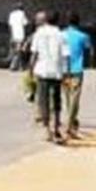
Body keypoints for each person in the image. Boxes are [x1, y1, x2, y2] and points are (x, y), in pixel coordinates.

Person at [29, 10, 68, 143]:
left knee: (43, 101)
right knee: (56, 101)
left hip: (42, 71)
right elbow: (65, 56)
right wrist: (66, 73)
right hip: (57, 72)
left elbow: (34, 54)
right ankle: (56, 129)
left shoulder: (39, 33)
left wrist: (30, 70)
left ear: (45, 20)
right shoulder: (61, 35)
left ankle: (47, 131)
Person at [62, 12, 92, 139]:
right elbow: (88, 50)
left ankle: (72, 122)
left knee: (68, 97)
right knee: (75, 98)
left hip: (64, 70)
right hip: (76, 70)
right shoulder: (83, 36)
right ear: (78, 22)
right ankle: (69, 125)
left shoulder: (61, 35)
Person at [8, 3, 29, 71]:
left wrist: (11, 35)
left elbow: (10, 25)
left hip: (13, 35)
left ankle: (20, 66)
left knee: (15, 52)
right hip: (20, 35)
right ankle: (14, 66)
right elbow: (25, 24)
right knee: (19, 52)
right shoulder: (22, 14)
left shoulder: (12, 14)